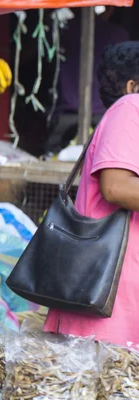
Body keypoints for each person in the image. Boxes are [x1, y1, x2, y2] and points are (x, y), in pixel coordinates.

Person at [43, 41, 139, 348]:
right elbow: (116, 187)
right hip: (109, 285)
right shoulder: (130, 107)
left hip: (107, 283)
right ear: (131, 85)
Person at [44, 7, 129, 156]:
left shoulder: (63, 30)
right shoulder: (118, 34)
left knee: (52, 156)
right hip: (103, 113)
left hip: (67, 112)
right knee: (105, 158)